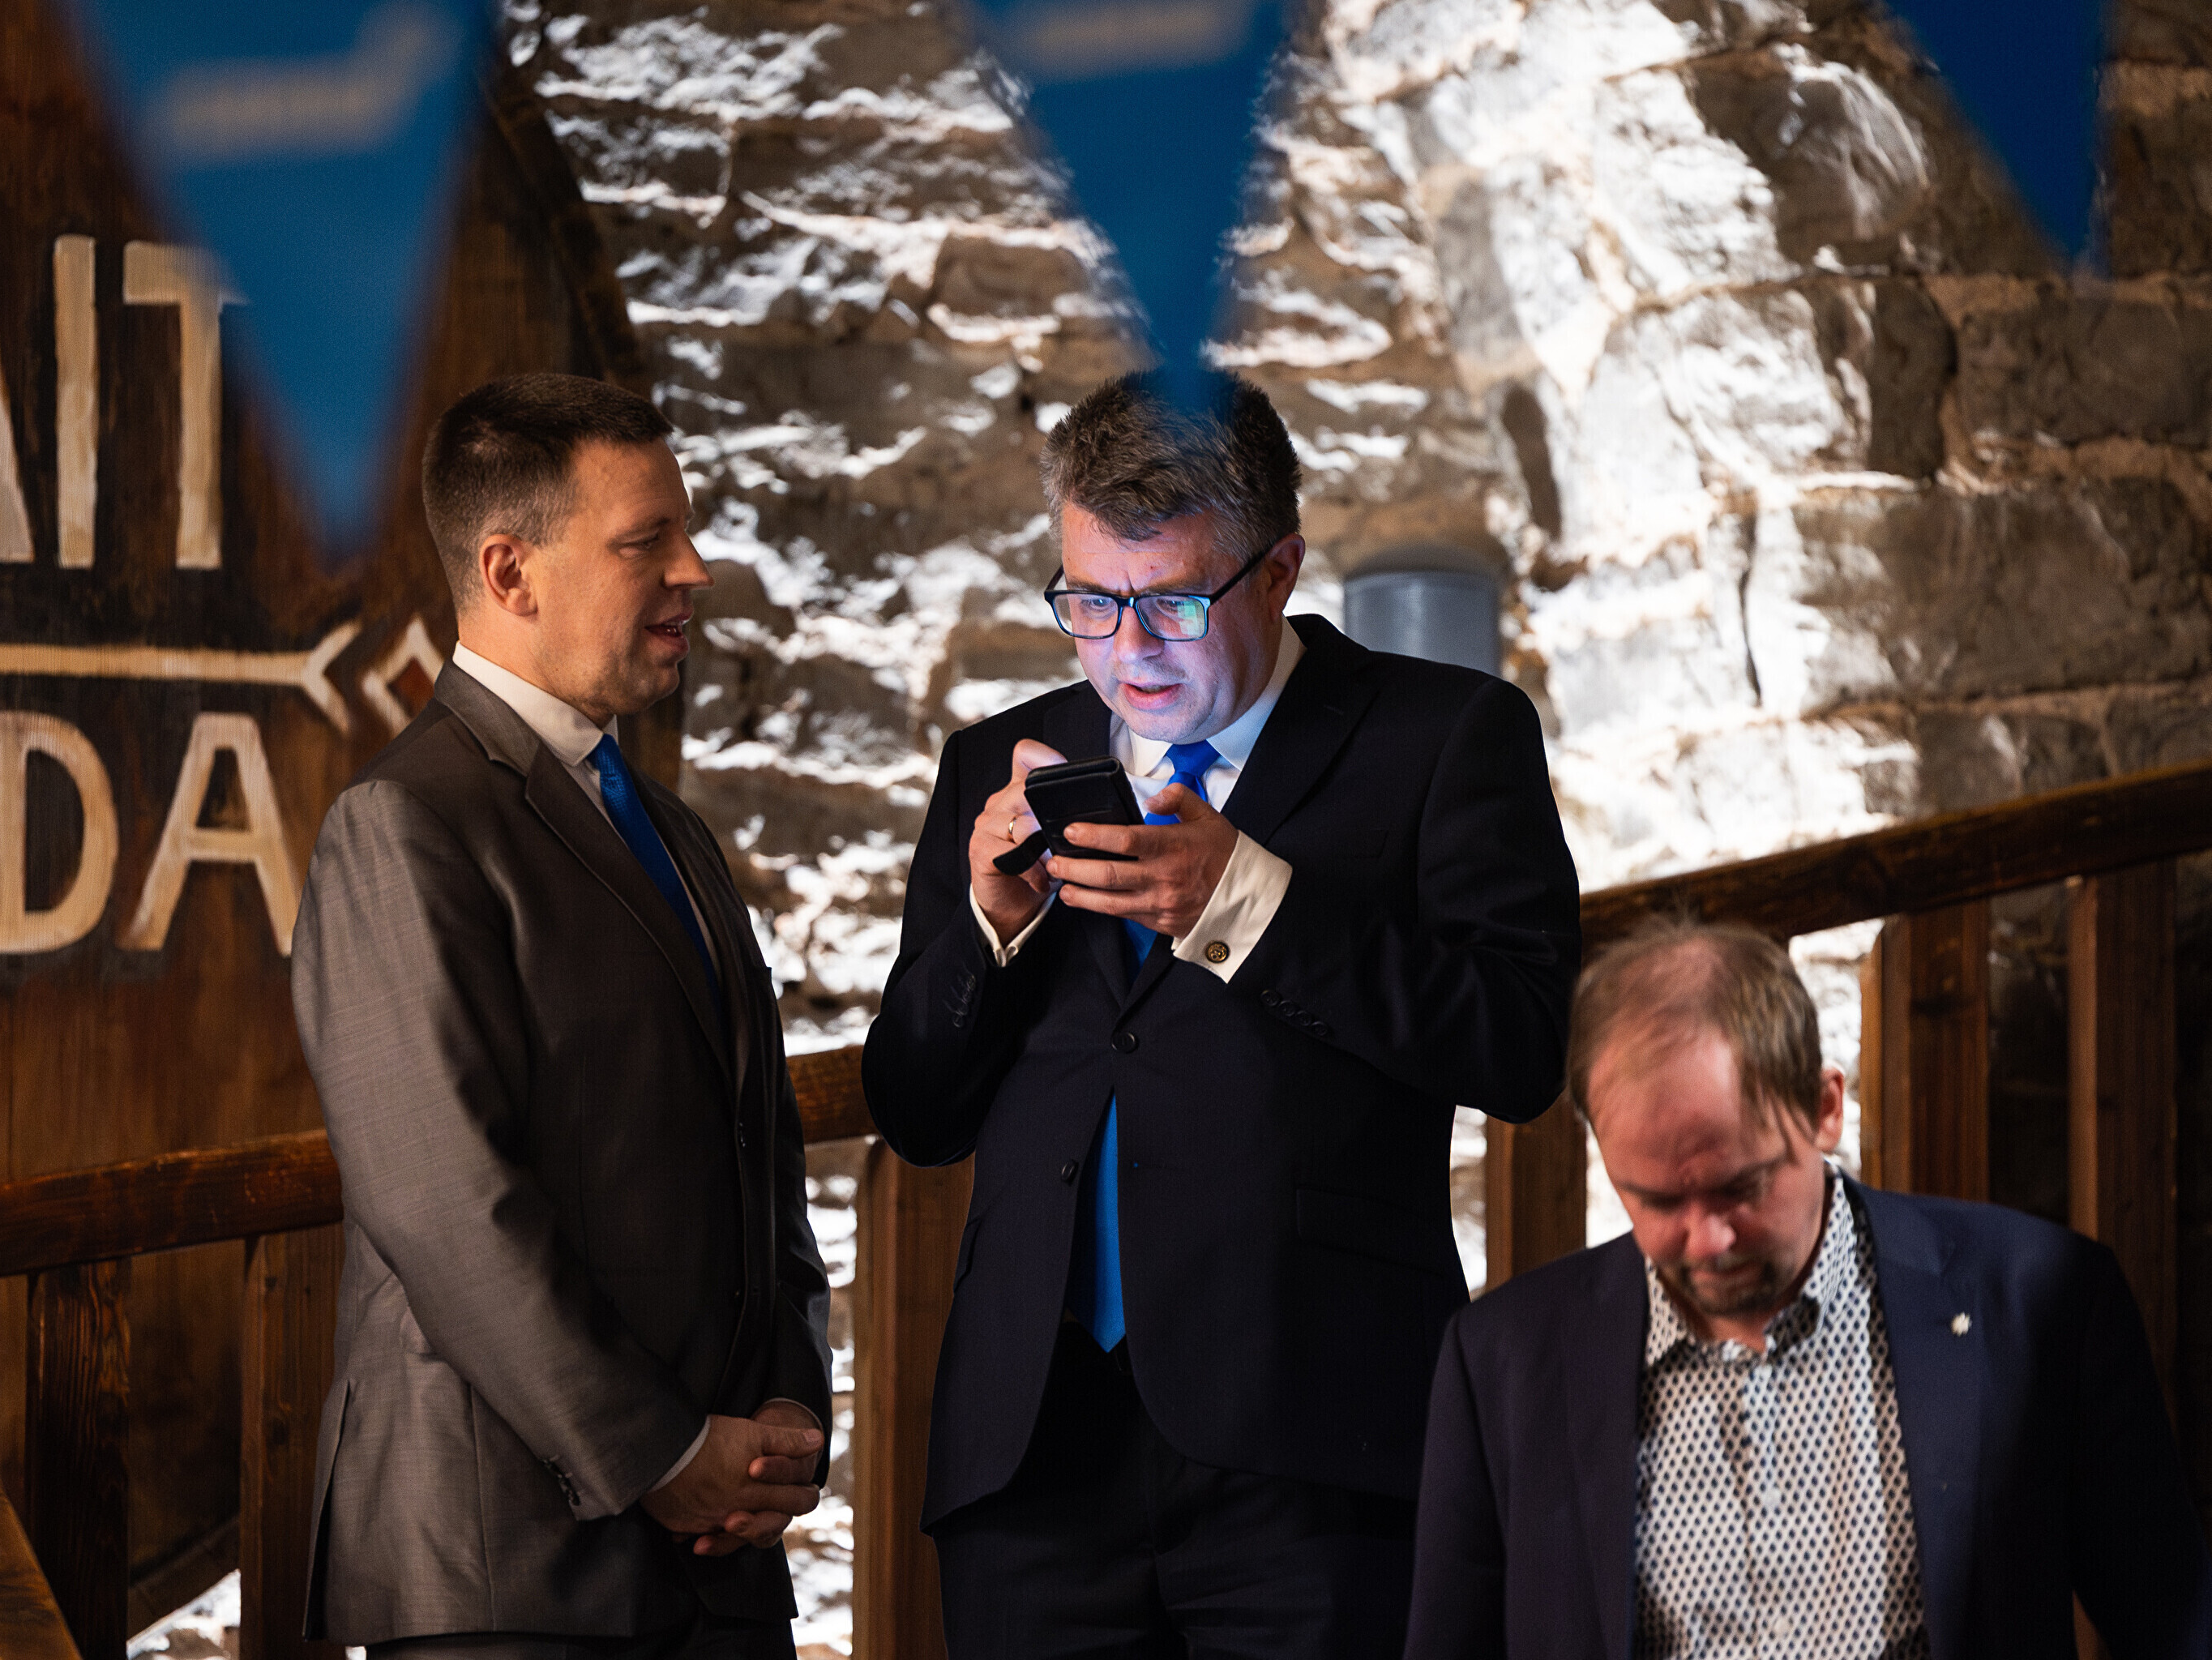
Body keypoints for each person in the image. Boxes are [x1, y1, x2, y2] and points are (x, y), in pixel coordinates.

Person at [862, 372, 1581, 1656]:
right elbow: (915, 1113)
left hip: (1315, 1442)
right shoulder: (995, 761)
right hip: (1031, 1456)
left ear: (1278, 571)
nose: (1126, 651)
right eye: (1089, 602)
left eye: (1171, 604)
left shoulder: (1444, 735)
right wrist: (990, 925)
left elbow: (1518, 1045)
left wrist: (1243, 902)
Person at [290, 373, 833, 1659]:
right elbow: (443, 1201)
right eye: (647, 541)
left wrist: (786, 1412)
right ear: (508, 571)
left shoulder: (674, 834)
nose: (693, 571)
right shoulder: (402, 825)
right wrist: (658, 1455)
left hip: (715, 1567)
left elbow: (759, 1153)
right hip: (509, 1570)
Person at [1405, 918, 2212, 1659]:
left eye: (1739, 1186)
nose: (1706, 1239)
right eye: (1654, 1200)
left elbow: (2173, 1628)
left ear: (1824, 1108)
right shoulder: (1503, 1363)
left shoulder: (2040, 1299)